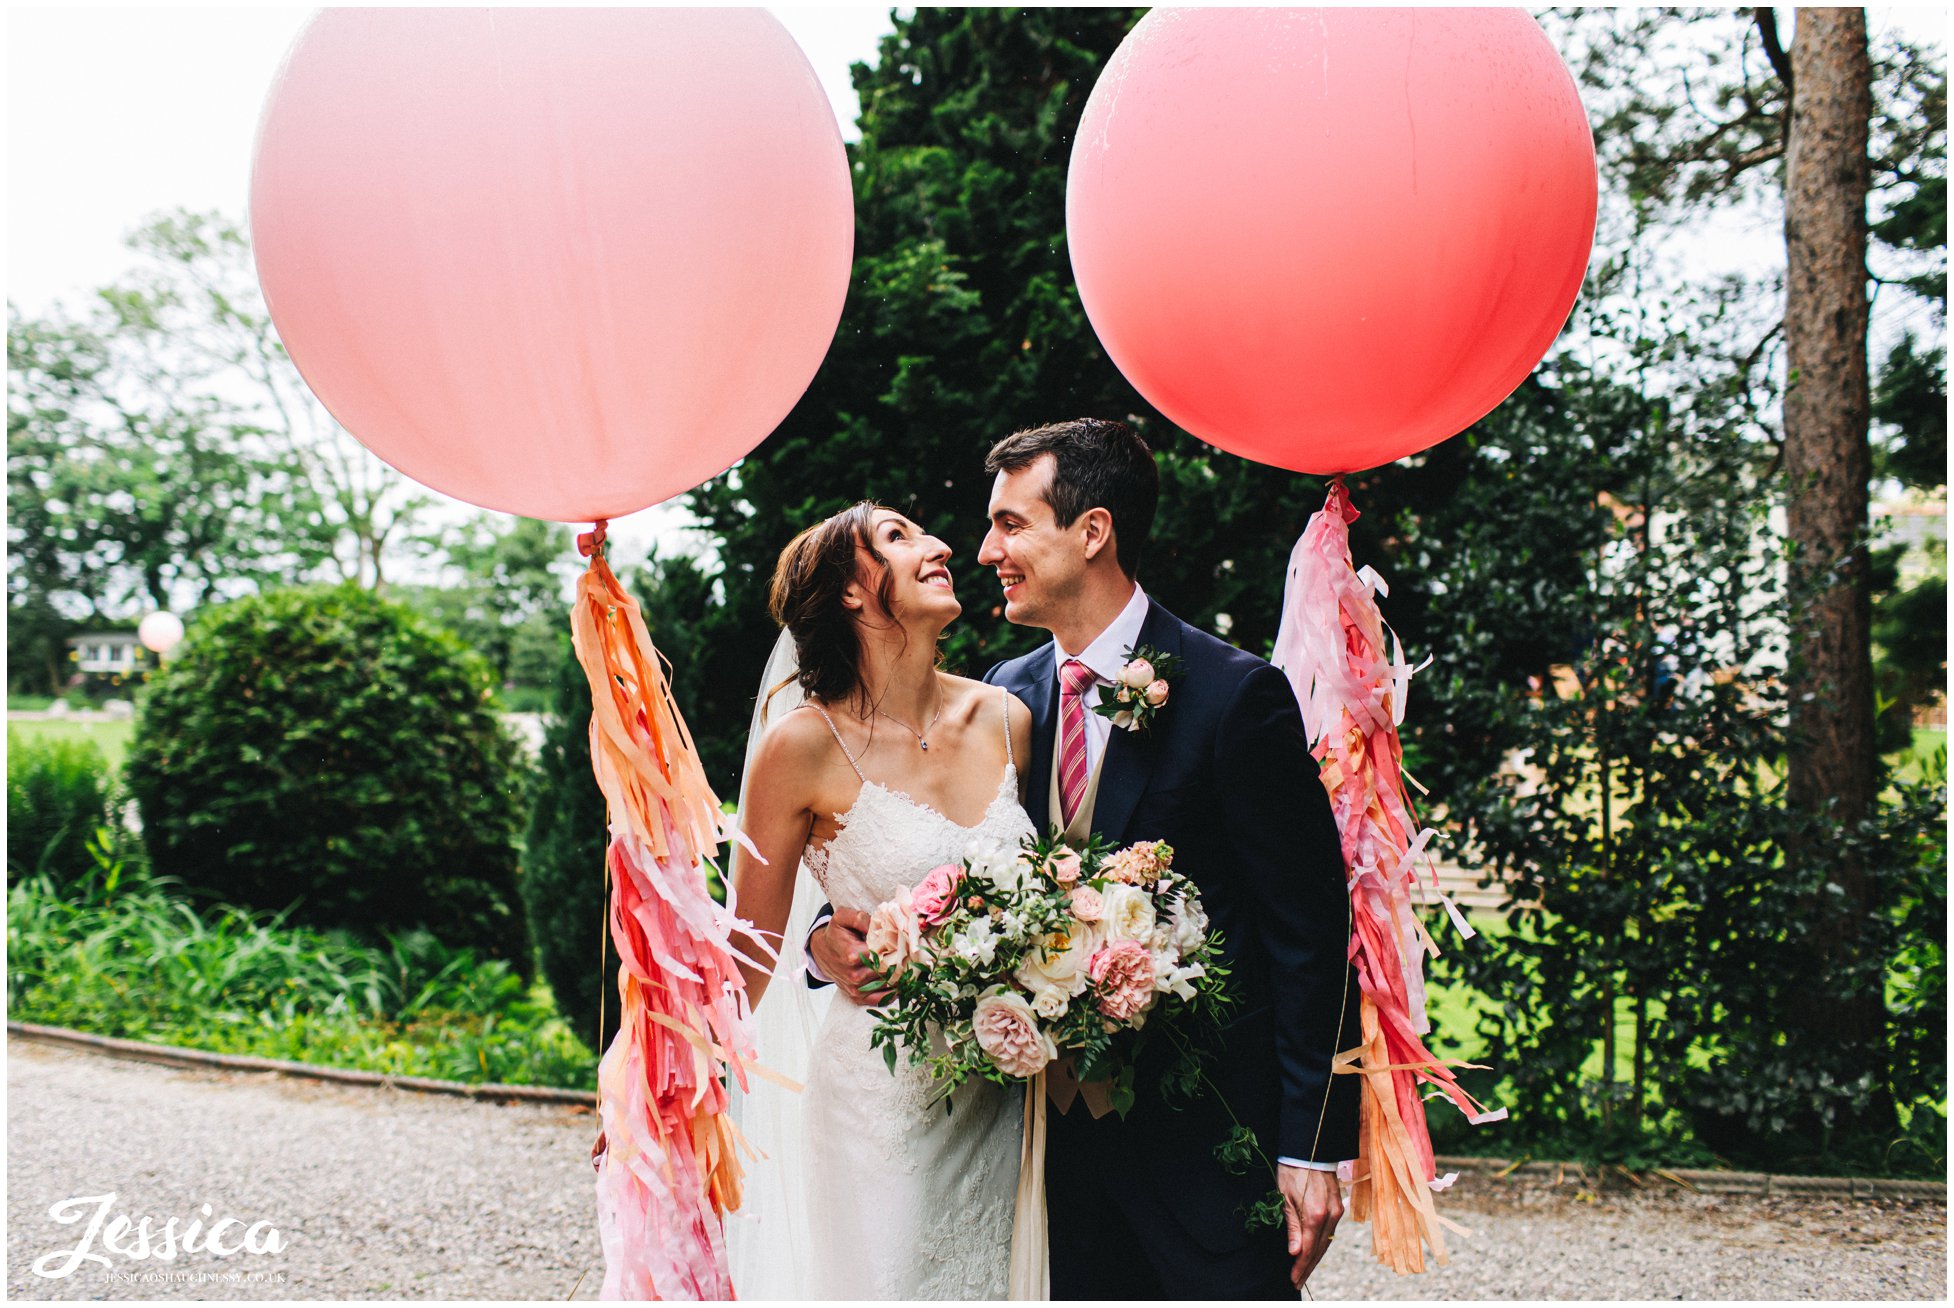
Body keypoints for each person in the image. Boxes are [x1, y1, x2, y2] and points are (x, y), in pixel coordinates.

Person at [810, 419, 1361, 1299]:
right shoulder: (999, 697)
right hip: (1029, 1151)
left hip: (1202, 1150)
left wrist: (1313, 1144)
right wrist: (823, 941)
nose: (988, 550)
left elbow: (1311, 934)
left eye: (1012, 525)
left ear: (1093, 531)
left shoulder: (1235, 696)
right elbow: (913, 859)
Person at [722, 500, 1036, 1299]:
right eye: (898, 538)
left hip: (1008, 1093)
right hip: (882, 1103)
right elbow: (747, 957)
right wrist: (657, 1088)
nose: (937, 545)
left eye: (925, 531)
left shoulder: (1008, 720)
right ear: (851, 593)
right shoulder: (800, 745)